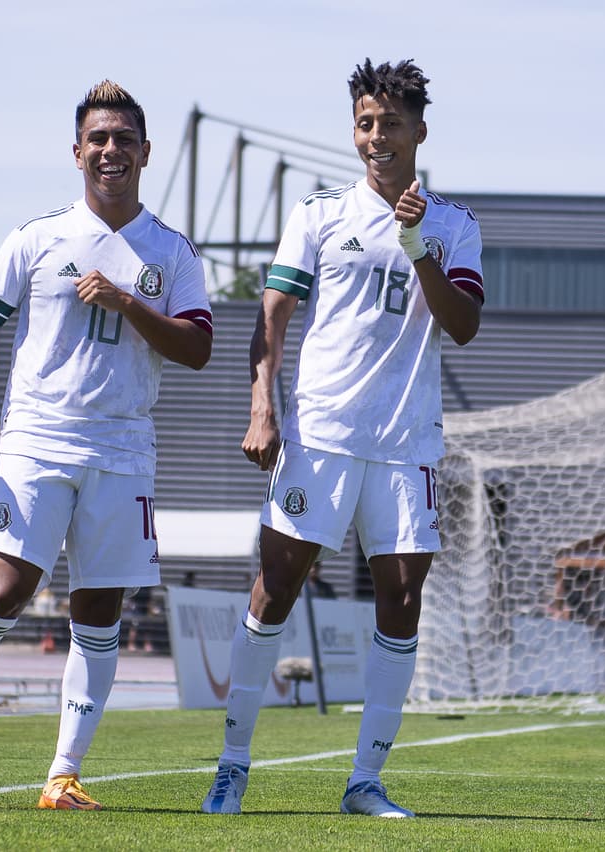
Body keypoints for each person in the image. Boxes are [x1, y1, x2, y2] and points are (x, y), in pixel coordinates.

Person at [0, 80, 212, 812]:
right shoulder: (37, 237)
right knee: (4, 590)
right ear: (77, 152)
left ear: (145, 152)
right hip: (38, 438)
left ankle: (63, 776)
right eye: (97, 139)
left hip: (124, 448)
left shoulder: (171, 251)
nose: (110, 151)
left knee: (99, 613)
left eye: (123, 139)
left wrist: (130, 301)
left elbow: (198, 348)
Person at [201, 58, 483, 819]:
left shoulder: (455, 225)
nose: (376, 137)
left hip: (406, 447)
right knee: (276, 588)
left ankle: (365, 783)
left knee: (401, 599)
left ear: (420, 131)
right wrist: (264, 405)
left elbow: (462, 326)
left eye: (390, 124)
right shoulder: (319, 215)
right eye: (365, 124)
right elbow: (271, 316)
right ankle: (231, 765)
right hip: (320, 436)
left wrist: (417, 241)